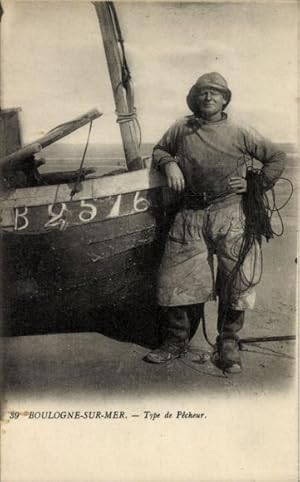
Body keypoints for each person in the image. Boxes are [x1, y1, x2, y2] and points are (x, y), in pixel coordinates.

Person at [145, 72, 286, 372]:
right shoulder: (180, 129)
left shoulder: (240, 130)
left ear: (224, 99)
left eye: (215, 92)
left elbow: (276, 157)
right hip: (190, 215)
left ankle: (229, 343)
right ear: (195, 98)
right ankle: (176, 342)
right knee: (176, 279)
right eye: (202, 92)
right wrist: (169, 163)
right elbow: (158, 149)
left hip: (231, 213)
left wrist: (255, 184)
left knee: (237, 279)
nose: (208, 97)